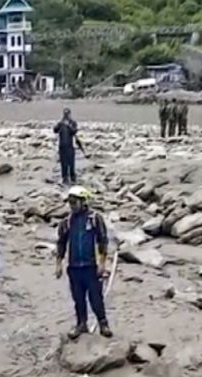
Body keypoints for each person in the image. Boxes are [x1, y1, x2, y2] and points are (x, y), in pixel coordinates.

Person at [55, 186, 115, 340]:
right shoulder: (66, 222)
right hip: (74, 267)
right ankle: (81, 324)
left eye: (74, 202)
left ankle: (103, 323)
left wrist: (102, 263)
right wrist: (58, 264)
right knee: (78, 298)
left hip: (91, 266)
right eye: (70, 203)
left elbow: (103, 240)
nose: (72, 206)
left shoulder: (95, 218)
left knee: (96, 297)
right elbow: (61, 243)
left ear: (83, 201)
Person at [53, 108, 83, 185]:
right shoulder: (60, 123)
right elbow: (55, 130)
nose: (66, 116)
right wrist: (59, 124)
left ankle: (73, 177)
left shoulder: (73, 123)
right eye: (65, 114)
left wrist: (68, 126)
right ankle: (64, 178)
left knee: (71, 163)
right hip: (62, 146)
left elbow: (74, 131)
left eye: (67, 114)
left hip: (70, 146)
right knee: (63, 163)